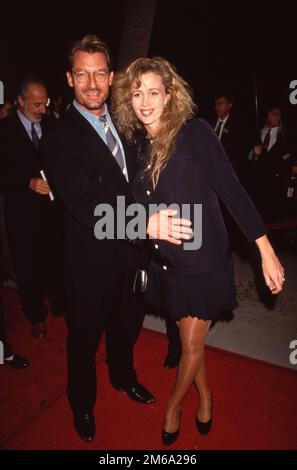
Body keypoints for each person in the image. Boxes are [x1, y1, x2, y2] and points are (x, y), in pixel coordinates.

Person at [111, 57, 285, 445]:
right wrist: (139, 223)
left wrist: (265, 249)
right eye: (137, 93)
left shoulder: (195, 133)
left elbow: (231, 189)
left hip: (202, 261)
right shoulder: (138, 145)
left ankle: (175, 406)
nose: (144, 101)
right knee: (190, 339)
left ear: (170, 95)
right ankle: (205, 394)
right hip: (165, 262)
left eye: (153, 92)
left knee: (189, 342)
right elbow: (134, 205)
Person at [41, 35, 191, 443]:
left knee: (127, 329)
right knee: (85, 340)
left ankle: (124, 378)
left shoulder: (127, 124)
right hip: (90, 264)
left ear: (111, 78)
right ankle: (82, 404)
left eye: (100, 73)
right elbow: (86, 206)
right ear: (70, 79)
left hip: (133, 259)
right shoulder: (58, 137)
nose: (92, 82)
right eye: (83, 73)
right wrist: (145, 225)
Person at [0, 78, 65, 339]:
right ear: (20, 101)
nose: (42, 109)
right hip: (21, 213)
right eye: (36, 104)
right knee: (27, 266)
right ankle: (35, 315)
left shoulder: (52, 125)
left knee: (54, 259)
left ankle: (59, 303)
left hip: (53, 212)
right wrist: (27, 182)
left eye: (45, 103)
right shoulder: (4, 130)